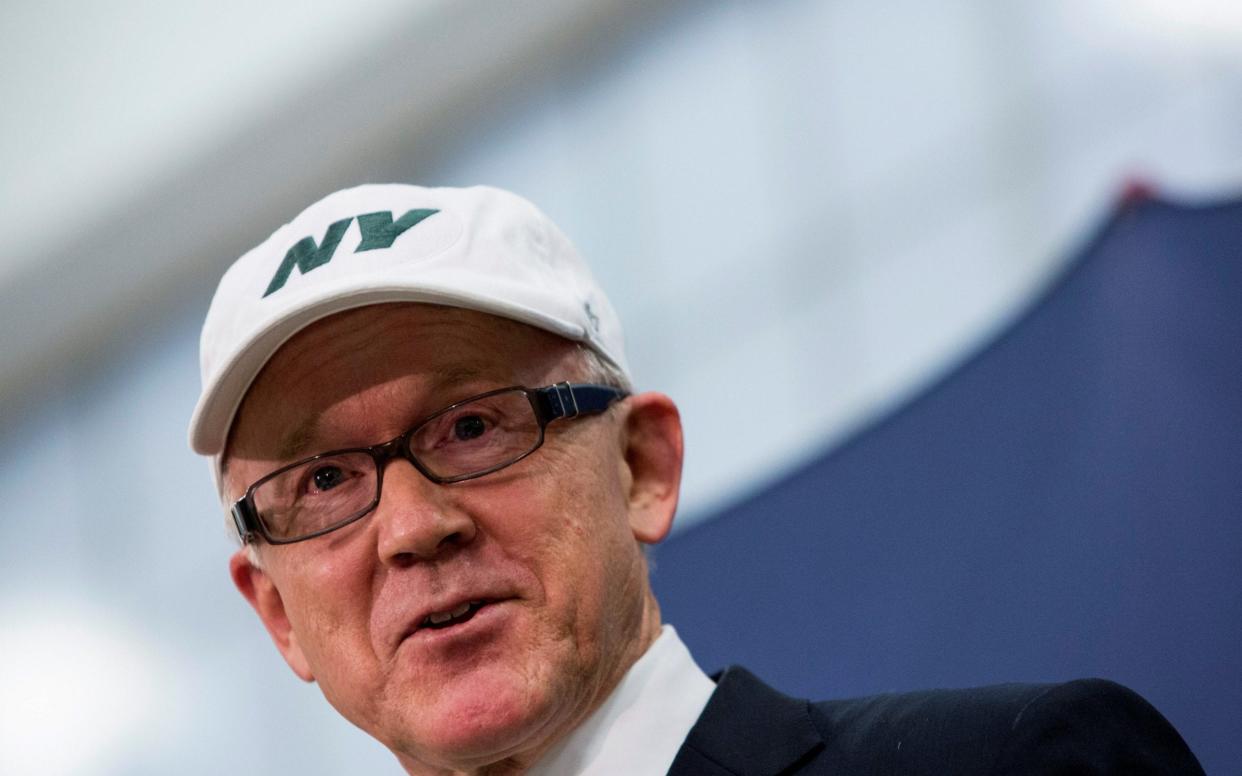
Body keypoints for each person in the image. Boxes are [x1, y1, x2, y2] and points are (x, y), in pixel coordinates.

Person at [189, 184, 1203, 775]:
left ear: (642, 467)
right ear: (277, 611)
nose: (412, 525)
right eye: (322, 482)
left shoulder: (1024, 766)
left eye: (470, 425)